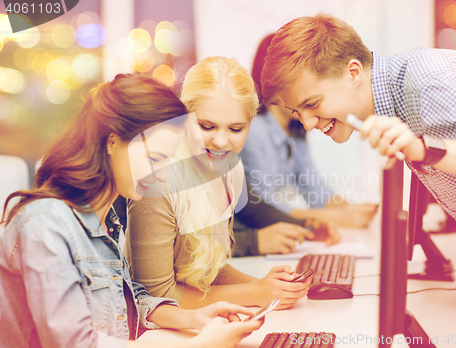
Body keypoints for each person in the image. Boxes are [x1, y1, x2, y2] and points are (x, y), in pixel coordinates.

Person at [0, 73, 263, 348]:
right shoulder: (46, 226)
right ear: (112, 142)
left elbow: (126, 302)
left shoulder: (105, 221)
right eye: (154, 159)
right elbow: (75, 343)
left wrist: (194, 317)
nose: (162, 177)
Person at [260, 13, 456, 252]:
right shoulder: (398, 100)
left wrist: (421, 150)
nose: (308, 124)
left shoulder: (425, 83)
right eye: (297, 111)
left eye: (312, 104)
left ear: (353, 73)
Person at [125, 57, 311, 311]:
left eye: (236, 129)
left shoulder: (229, 169)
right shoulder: (156, 183)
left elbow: (207, 268)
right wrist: (255, 292)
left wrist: (268, 288)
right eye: (206, 126)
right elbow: (156, 297)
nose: (221, 142)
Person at [240, 33, 378, 229]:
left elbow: (314, 188)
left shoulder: (296, 129)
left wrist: (353, 210)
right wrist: (336, 218)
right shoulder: (254, 132)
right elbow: (264, 207)